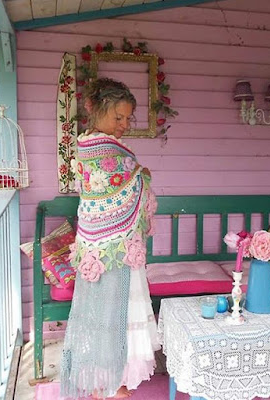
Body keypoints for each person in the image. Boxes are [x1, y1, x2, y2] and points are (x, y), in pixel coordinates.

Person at [60, 78, 160, 399]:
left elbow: (115, 183)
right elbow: (121, 184)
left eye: (128, 118)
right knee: (113, 310)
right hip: (110, 246)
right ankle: (107, 381)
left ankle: (110, 378)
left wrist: (136, 175)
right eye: (118, 117)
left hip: (98, 243)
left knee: (106, 312)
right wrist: (142, 176)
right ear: (99, 110)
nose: (124, 125)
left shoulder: (86, 144)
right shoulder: (101, 148)